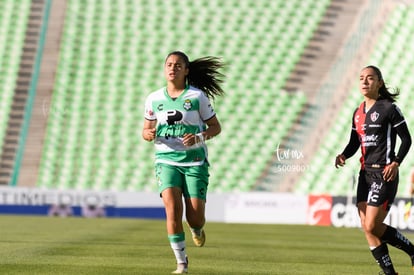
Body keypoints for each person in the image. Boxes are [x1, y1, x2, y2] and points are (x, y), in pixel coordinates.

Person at [142, 51, 225, 274]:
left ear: (186, 70)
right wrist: (147, 134)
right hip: (166, 159)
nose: (172, 68)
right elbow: (146, 129)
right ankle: (181, 263)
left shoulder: (197, 97)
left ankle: (197, 229)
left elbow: (216, 127)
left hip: (195, 161)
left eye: (178, 65)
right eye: (169, 64)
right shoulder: (154, 98)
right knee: (172, 209)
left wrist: (199, 137)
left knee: (195, 216)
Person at [335, 65, 412, 275]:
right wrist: (343, 155)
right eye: (361, 78)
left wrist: (395, 163)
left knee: (371, 225)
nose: (364, 82)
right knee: (368, 227)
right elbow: (354, 143)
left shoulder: (389, 108)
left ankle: (412, 251)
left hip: (383, 173)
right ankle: (390, 273)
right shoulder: (358, 112)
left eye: (370, 78)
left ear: (379, 82)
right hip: (365, 175)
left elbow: (407, 139)